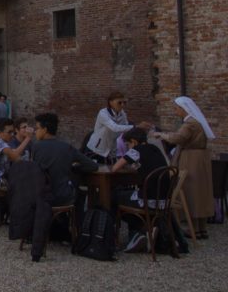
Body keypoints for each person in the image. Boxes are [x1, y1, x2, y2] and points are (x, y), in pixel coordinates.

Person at [153, 96, 214, 239]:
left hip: (191, 159)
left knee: (191, 191)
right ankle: (201, 228)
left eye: (176, 108)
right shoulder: (197, 122)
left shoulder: (190, 124)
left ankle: (194, 228)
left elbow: (177, 138)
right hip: (201, 159)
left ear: (183, 109)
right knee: (201, 192)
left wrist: (161, 135)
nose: (175, 111)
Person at [111, 127, 170, 252]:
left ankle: (133, 235)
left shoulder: (136, 150)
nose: (128, 147)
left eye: (128, 144)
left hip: (148, 200)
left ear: (134, 141)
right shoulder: (155, 149)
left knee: (114, 197)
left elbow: (115, 168)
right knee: (128, 197)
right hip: (164, 201)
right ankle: (142, 232)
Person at [31, 113, 98, 207]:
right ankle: (76, 221)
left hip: (42, 197)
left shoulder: (36, 147)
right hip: (64, 197)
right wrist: (74, 168)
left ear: (45, 130)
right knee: (80, 194)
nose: (35, 131)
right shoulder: (67, 147)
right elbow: (93, 166)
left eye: (37, 128)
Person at [86, 91, 150, 163]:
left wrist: (142, 130)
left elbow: (126, 129)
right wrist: (137, 126)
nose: (122, 105)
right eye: (119, 103)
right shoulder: (103, 113)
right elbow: (115, 128)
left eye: (124, 103)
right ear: (111, 102)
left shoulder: (122, 114)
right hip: (97, 148)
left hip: (111, 149)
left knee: (111, 170)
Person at [0, 117, 31, 187]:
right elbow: (16, 157)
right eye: (9, 132)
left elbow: (14, 153)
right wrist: (28, 138)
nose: (12, 135)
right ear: (0, 132)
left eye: (13, 132)